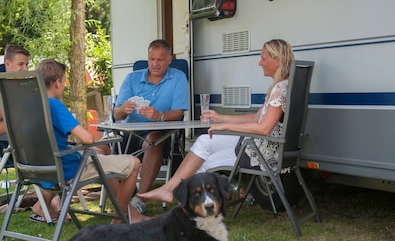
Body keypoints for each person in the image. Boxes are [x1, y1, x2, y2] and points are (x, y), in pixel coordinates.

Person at [138, 39, 294, 203]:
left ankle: (186, 204)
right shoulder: (283, 85)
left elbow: (264, 128)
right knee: (205, 140)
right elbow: (256, 118)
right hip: (256, 145)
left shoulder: (279, 89)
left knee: (201, 163)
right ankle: (170, 190)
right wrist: (220, 117)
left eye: (263, 58)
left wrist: (226, 126)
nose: (259, 63)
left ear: (276, 60)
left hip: (258, 153)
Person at [30, 59, 149, 224]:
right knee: (134, 163)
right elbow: (88, 138)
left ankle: (128, 215)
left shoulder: (32, 106)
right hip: (68, 170)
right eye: (64, 81)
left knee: (103, 159)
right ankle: (119, 220)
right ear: (57, 83)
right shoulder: (54, 105)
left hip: (38, 170)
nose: (64, 85)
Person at [113, 39, 188, 212]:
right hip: (129, 133)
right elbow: (116, 114)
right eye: (151, 59)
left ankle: (140, 198)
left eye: (160, 60)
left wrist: (160, 116)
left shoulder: (178, 78)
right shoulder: (132, 78)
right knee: (103, 149)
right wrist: (124, 109)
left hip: (159, 132)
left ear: (169, 59)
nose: (154, 64)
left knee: (154, 139)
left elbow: (178, 112)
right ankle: (124, 197)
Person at [0, 44, 30, 140]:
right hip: (22, 144)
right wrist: (24, 121)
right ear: (8, 64)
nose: (25, 69)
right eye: (21, 64)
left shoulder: (31, 89)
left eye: (26, 65)